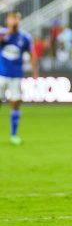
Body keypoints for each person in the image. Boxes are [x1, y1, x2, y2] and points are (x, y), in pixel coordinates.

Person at [0, 11, 39, 145]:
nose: (14, 21)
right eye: (12, 18)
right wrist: (8, 32)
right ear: (7, 20)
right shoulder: (3, 33)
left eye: (17, 18)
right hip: (1, 74)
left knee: (16, 103)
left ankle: (14, 135)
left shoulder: (25, 37)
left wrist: (34, 73)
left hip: (16, 75)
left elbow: (32, 54)